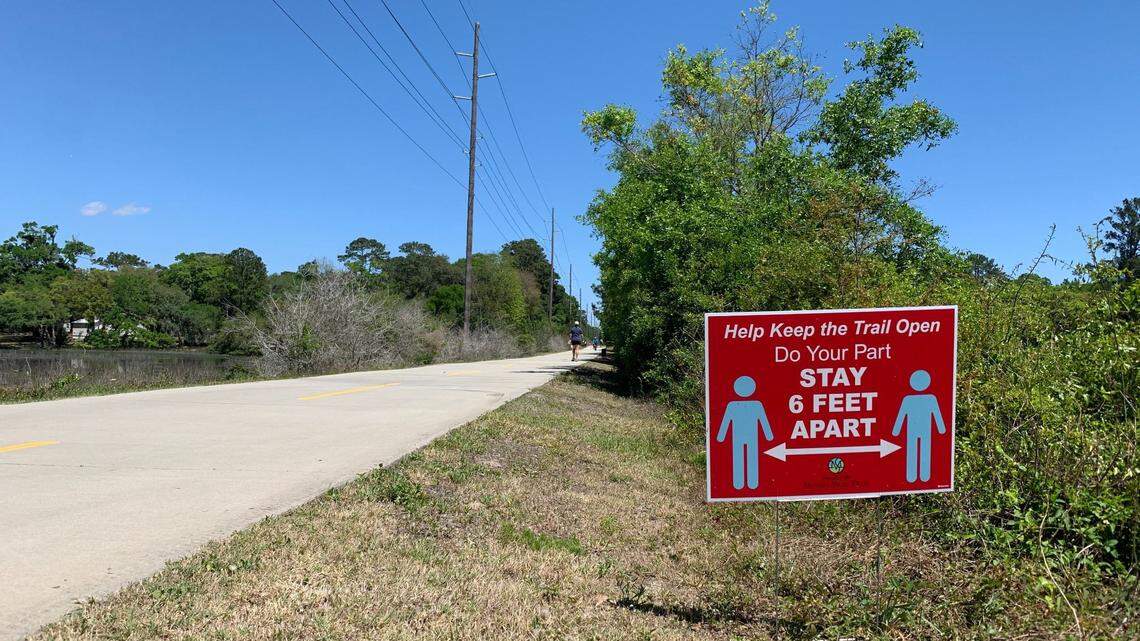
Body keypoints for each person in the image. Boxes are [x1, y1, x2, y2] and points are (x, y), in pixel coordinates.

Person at [716, 375, 774, 490]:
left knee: (743, 457)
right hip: (748, 435)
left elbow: (763, 420)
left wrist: (721, 436)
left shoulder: (734, 405)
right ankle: (749, 483)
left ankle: (741, 483)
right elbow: (726, 421)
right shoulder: (754, 405)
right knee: (748, 457)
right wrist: (768, 436)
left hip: (741, 436)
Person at [891, 369, 947, 483]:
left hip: (915, 429)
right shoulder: (929, 398)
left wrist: (896, 431)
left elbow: (936, 414)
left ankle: (915, 476)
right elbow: (902, 415)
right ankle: (922, 476)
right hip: (922, 429)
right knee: (922, 449)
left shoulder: (911, 399)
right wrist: (941, 429)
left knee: (914, 450)